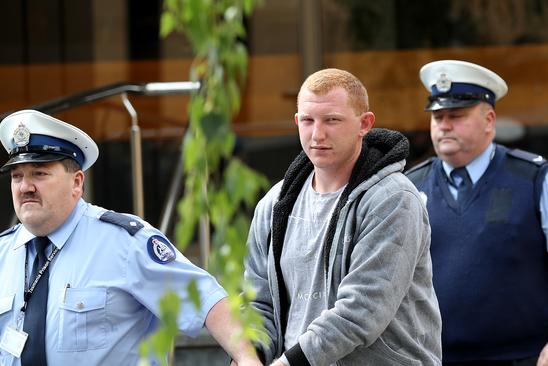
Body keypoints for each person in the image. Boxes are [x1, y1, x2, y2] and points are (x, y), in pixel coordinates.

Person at [0, 109, 261, 366]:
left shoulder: (123, 242)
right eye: (17, 176)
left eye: (40, 173)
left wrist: (247, 358)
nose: (25, 187)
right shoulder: (3, 252)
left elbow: (206, 299)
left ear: (77, 183)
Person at [406, 60, 548, 366]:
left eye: (456, 116)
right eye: (437, 116)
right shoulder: (409, 188)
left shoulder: (532, 178)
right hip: (434, 357)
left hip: (521, 357)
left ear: (489, 119)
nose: (443, 125)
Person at [244, 68, 442, 366]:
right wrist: (249, 355)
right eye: (308, 121)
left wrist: (287, 364)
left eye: (332, 120)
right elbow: (259, 301)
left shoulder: (394, 200)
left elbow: (361, 311)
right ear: (297, 122)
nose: (318, 134)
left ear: (365, 124)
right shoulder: (274, 203)